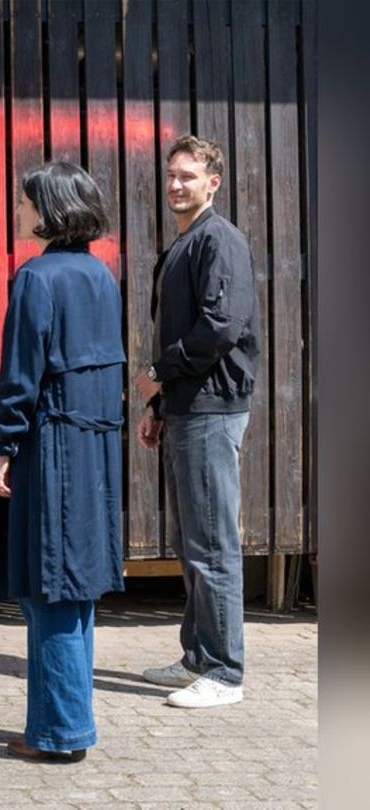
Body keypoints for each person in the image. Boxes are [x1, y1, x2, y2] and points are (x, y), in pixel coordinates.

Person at [0, 161, 125, 763]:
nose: (20, 210)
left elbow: (21, 375)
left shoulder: (37, 278)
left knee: (52, 587)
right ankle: (65, 723)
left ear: (52, 209)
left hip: (53, 447)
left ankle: (61, 734)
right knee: (76, 586)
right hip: (95, 447)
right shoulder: (101, 275)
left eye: (26, 202)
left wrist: (3, 446)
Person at [134, 135, 260, 709]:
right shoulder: (184, 244)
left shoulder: (220, 240)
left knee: (211, 545)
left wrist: (159, 372)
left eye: (187, 176)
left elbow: (221, 327)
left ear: (213, 182)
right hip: (187, 409)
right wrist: (161, 407)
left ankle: (226, 673)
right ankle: (198, 657)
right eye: (171, 176)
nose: (175, 185)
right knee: (192, 543)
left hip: (213, 409)